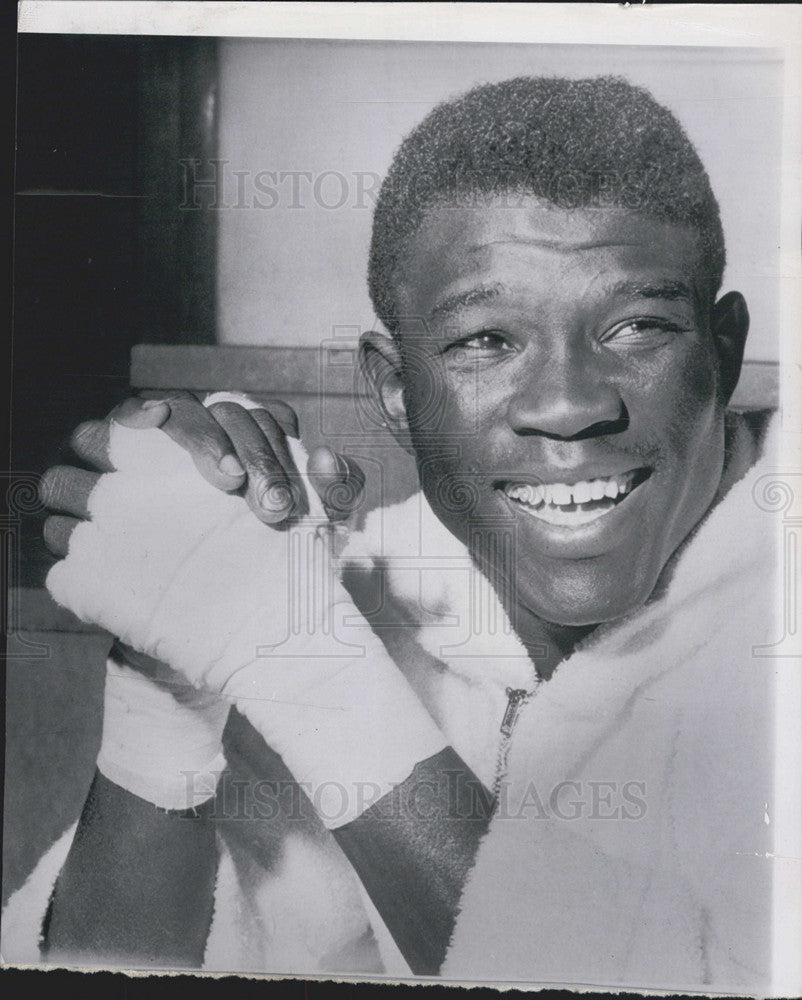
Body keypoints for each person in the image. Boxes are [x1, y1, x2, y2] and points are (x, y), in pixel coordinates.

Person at [2, 75, 778, 990]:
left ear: (721, 355)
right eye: (486, 341)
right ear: (394, 388)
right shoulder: (363, 591)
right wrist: (165, 692)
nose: (570, 405)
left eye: (638, 327)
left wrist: (308, 673)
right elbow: (101, 972)